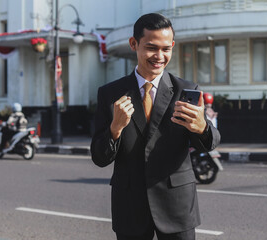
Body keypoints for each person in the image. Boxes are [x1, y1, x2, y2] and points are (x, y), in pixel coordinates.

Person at [91, 13, 220, 240]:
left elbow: (211, 143)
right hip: (129, 208)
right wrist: (115, 129)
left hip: (177, 207)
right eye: (151, 48)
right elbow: (99, 158)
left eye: (166, 49)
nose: (159, 56)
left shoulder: (185, 90)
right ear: (134, 44)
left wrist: (202, 127)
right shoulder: (110, 94)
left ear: (172, 46)